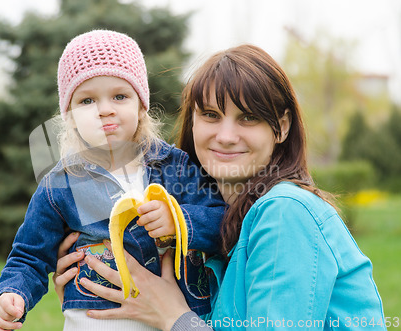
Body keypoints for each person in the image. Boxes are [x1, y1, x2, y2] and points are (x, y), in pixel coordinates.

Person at [54, 44, 387, 330]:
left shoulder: (285, 212)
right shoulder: (207, 226)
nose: (226, 136)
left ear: (282, 127)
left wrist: (174, 316)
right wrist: (89, 295)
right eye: (211, 115)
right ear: (193, 122)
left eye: (247, 118)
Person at [0, 29, 226, 331]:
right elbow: (29, 255)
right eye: (87, 101)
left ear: (141, 106)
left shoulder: (175, 166)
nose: (105, 110)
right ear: (70, 116)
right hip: (93, 322)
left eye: (120, 96)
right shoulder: (60, 184)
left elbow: (221, 220)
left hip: (171, 317)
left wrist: (178, 219)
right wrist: (12, 294)